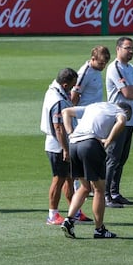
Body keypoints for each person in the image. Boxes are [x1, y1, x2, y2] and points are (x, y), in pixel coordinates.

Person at [60, 102, 132, 239]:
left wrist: (70, 133)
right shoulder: (120, 112)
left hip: (74, 144)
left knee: (85, 187)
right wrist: (108, 140)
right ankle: (99, 229)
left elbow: (66, 112)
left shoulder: (95, 106)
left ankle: (69, 220)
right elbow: (121, 122)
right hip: (90, 144)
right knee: (99, 189)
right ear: (127, 112)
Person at [105, 36, 133, 208]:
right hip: (117, 120)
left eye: (132, 49)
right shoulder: (115, 68)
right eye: (127, 48)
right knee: (113, 158)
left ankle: (115, 192)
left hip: (130, 120)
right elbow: (129, 94)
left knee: (122, 159)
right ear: (118, 49)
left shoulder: (131, 67)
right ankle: (106, 194)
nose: (130, 51)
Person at [41, 68, 78, 226]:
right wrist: (65, 149)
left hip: (61, 143)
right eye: (71, 85)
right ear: (64, 84)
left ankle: (73, 211)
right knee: (59, 179)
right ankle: (52, 214)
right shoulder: (58, 99)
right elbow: (58, 127)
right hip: (57, 145)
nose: (73, 88)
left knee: (69, 178)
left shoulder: (55, 90)